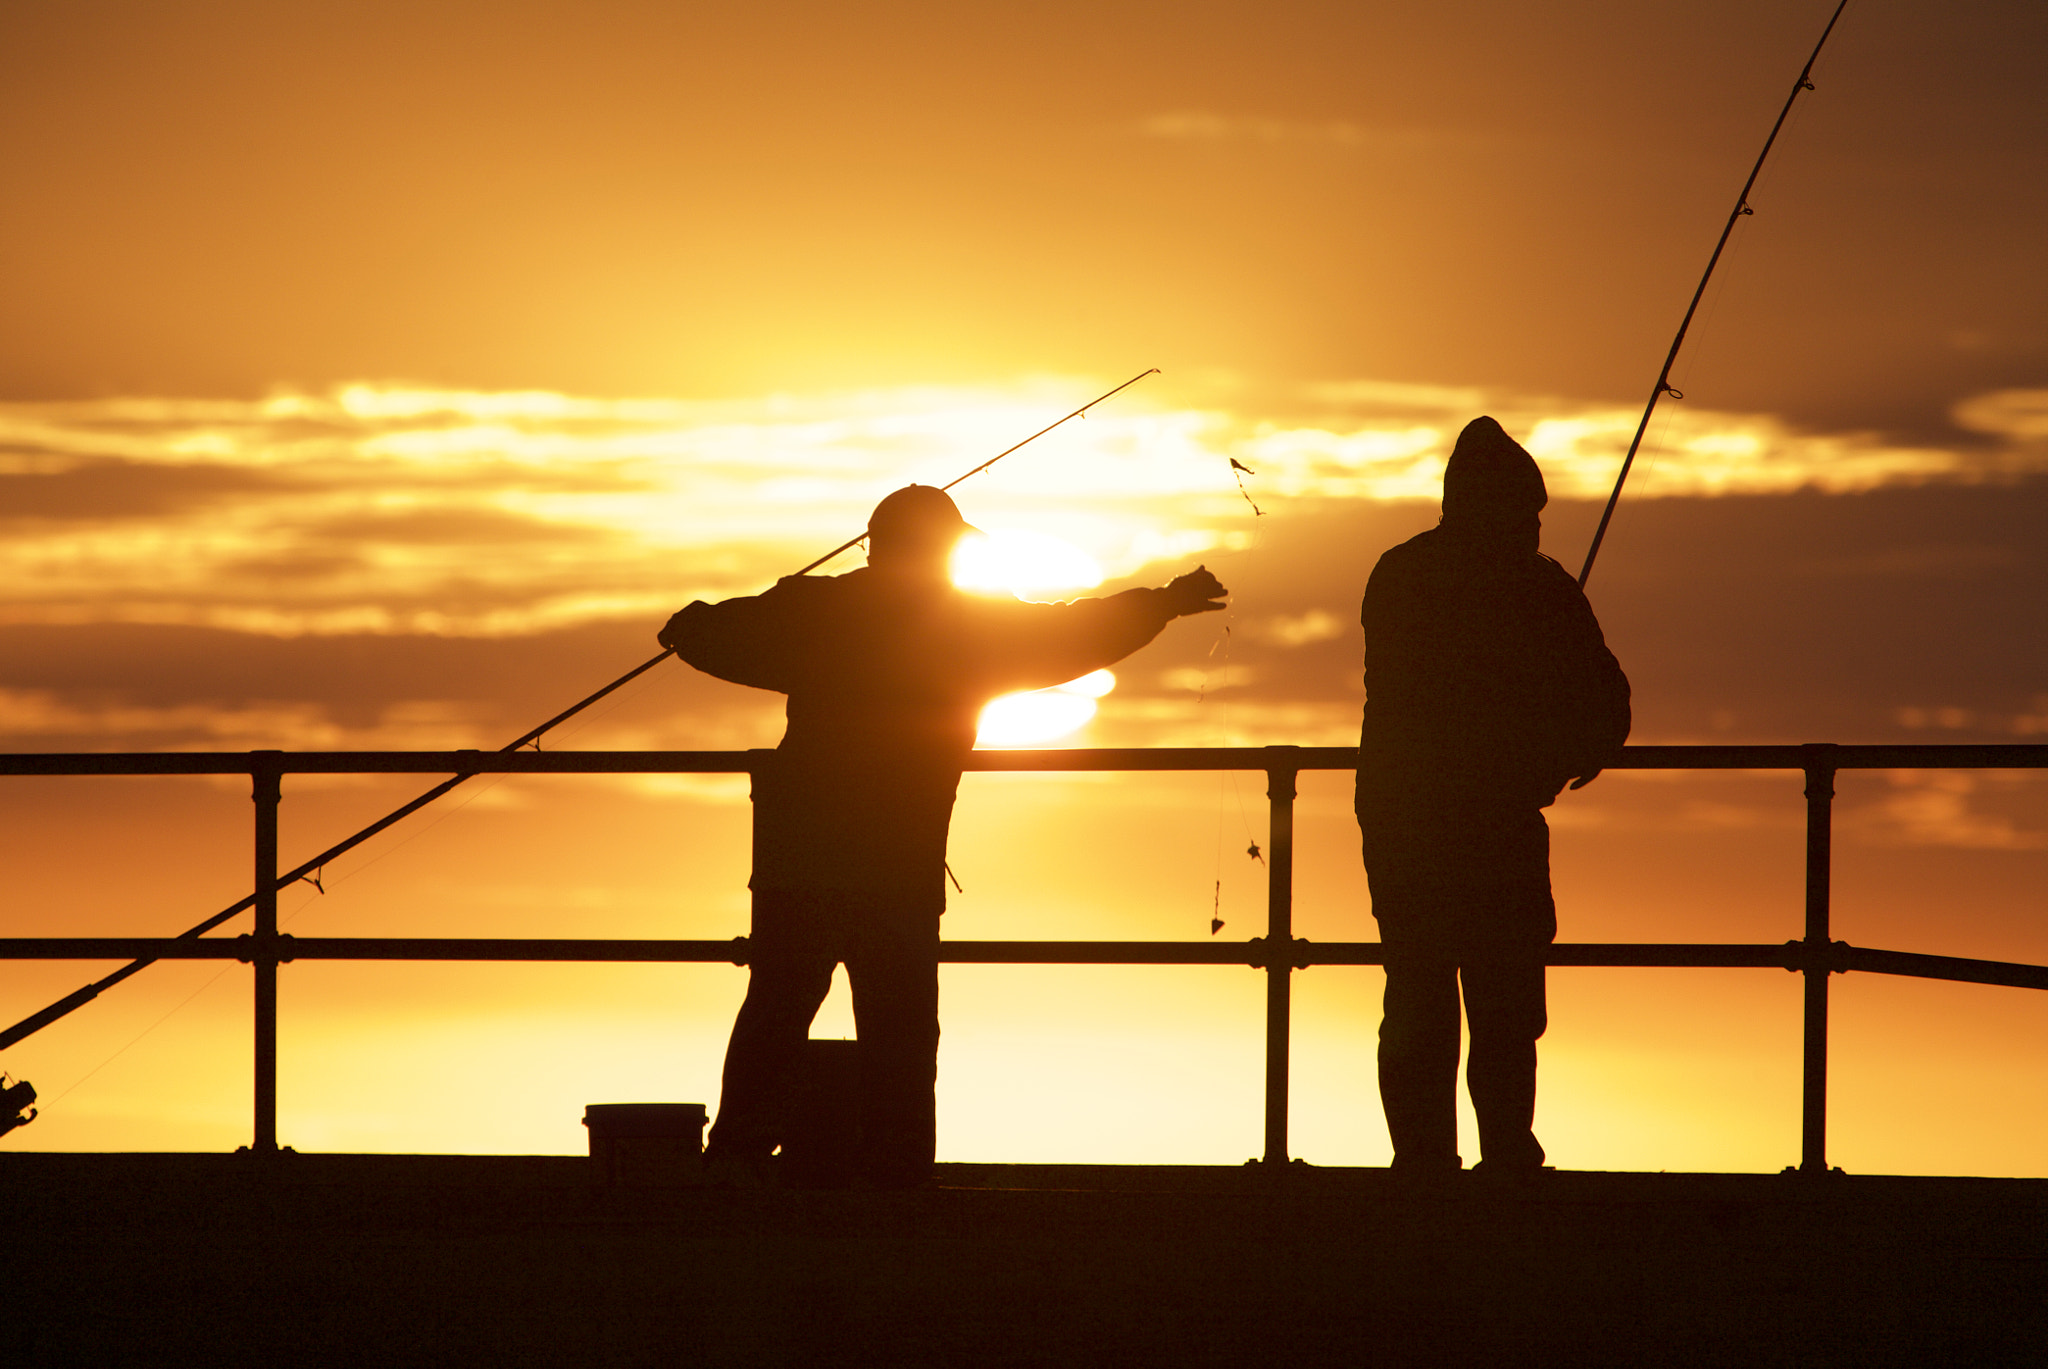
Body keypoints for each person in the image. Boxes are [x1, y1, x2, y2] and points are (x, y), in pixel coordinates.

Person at [660, 484, 1227, 1187]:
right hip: (899, 859)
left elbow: (716, 633)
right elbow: (1072, 631)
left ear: (875, 546)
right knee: (899, 1029)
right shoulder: (971, 629)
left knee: (776, 1008)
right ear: (948, 551)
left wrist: (687, 624)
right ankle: (897, 1175)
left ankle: (738, 1157)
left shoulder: (816, 610)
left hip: (799, 853)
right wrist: (1160, 601)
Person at [1355, 416, 1629, 1176]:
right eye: (1527, 513)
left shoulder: (1400, 574)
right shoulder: (1539, 588)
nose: (1533, 527)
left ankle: (1422, 1161)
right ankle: (1505, 1154)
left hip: (1403, 821)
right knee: (1501, 1001)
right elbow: (1609, 703)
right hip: (1487, 824)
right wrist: (1559, 755)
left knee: (1420, 996)